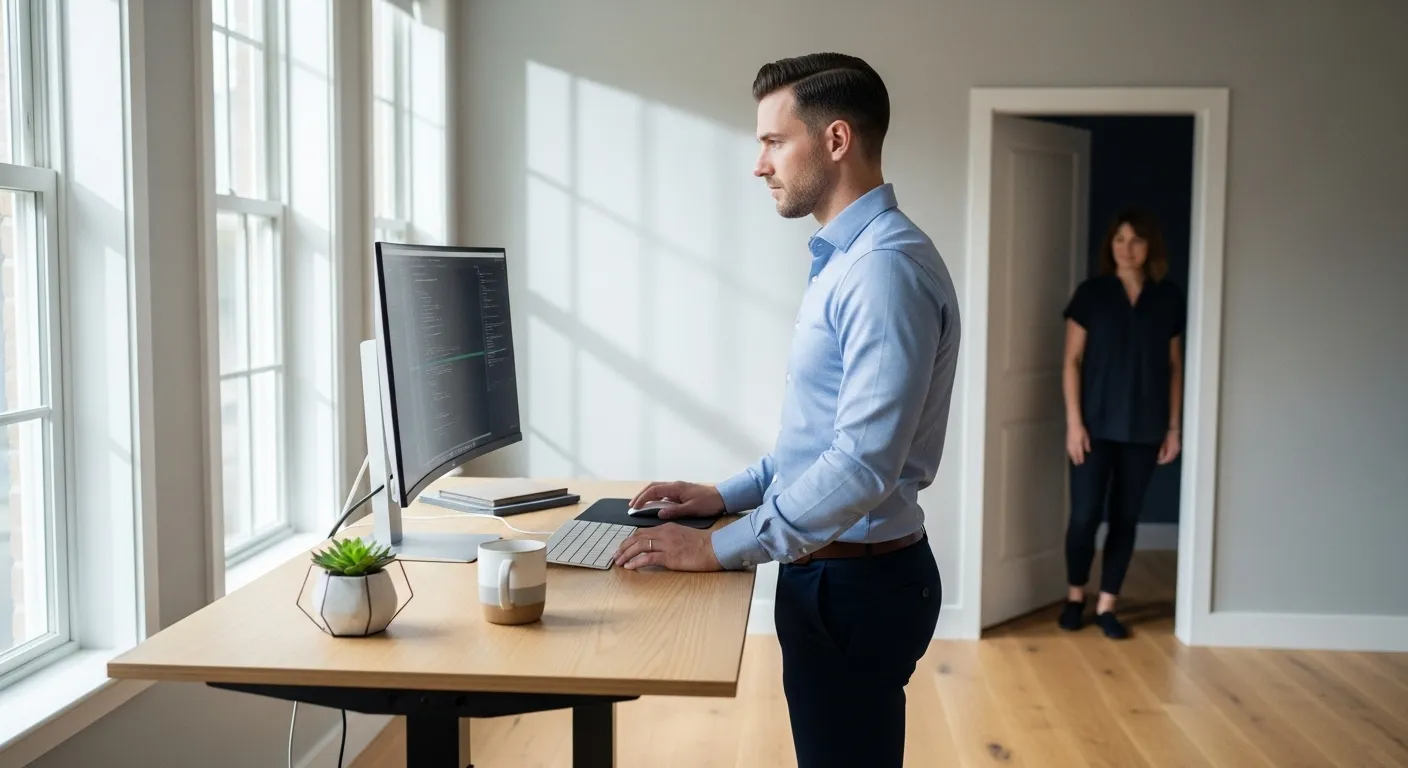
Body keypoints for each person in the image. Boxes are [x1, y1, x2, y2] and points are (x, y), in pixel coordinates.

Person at [610, 53, 960, 767]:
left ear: (835, 141)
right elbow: (822, 442)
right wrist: (723, 495)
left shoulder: (881, 271)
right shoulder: (849, 258)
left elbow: (861, 467)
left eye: (774, 141)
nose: (759, 164)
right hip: (836, 575)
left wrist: (716, 547)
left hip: (854, 589)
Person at [1059, 209, 1185, 640]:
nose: (1126, 248)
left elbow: (1174, 366)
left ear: (1150, 248)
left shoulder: (1168, 298)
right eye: (1119, 239)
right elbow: (1071, 362)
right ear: (1109, 245)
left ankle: (1108, 604)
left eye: (1135, 240)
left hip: (1145, 429)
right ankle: (1076, 596)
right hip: (1093, 426)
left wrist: (1173, 428)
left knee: (1126, 518)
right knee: (1084, 517)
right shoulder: (1091, 294)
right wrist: (1074, 424)